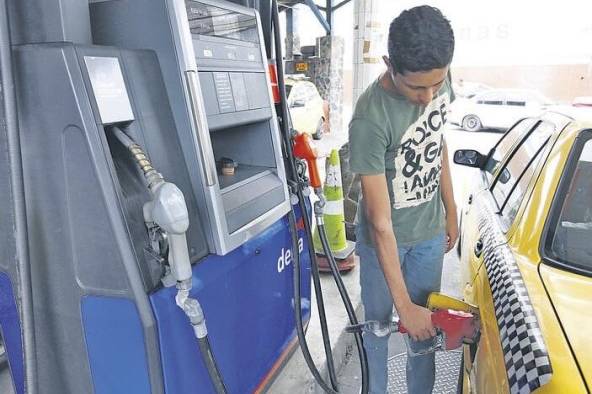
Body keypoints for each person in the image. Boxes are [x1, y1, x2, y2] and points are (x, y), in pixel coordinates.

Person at [348, 6, 457, 394]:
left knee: (423, 334)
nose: (429, 97)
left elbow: (436, 140)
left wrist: (451, 209)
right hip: (384, 244)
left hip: (428, 236)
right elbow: (380, 222)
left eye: (436, 84)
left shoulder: (437, 80)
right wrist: (404, 307)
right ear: (389, 64)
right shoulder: (369, 118)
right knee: (378, 328)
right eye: (417, 89)